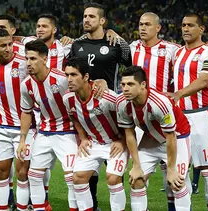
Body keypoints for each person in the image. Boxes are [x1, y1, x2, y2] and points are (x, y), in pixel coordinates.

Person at [70, 4, 132, 209]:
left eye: (91, 16)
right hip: (87, 112)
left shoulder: (115, 43)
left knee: (115, 171)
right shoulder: (76, 44)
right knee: (89, 170)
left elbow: (131, 67)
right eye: (84, 16)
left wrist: (117, 35)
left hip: (110, 108)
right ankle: (93, 204)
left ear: (102, 21)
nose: (86, 20)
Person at [117, 65, 191, 211]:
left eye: (131, 84)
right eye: (123, 84)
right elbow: (130, 134)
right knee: (136, 180)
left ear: (143, 85)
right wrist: (136, 166)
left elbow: (171, 136)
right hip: (152, 138)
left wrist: (170, 169)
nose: (125, 88)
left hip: (177, 137)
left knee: (177, 182)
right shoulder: (122, 103)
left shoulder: (159, 103)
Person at [167, 13, 208, 211]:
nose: (186, 29)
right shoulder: (178, 53)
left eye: (190, 25)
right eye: (183, 25)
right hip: (179, 118)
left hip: (201, 116)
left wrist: (178, 94)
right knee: (182, 171)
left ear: (202, 29)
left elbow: (205, 80)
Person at [17, 39, 78, 211]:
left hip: (67, 132)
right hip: (44, 133)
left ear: (45, 59)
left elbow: (80, 100)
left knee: (72, 178)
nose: (28, 63)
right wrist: (22, 140)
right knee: (34, 176)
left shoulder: (62, 79)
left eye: (33, 59)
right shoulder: (26, 85)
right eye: (27, 59)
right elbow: (26, 112)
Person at [0, 29, 37, 211]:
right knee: (1, 172)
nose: (8, 49)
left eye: (10, 44)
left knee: (22, 173)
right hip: (1, 126)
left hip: (25, 128)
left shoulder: (23, 63)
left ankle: (22, 208)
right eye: (3, 45)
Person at [63, 57, 128, 211]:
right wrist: (83, 138)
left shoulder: (107, 97)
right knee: (78, 178)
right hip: (94, 143)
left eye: (74, 75)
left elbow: (129, 117)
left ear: (86, 77)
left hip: (116, 143)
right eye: (67, 75)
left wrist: (123, 141)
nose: (69, 79)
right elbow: (74, 117)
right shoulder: (68, 99)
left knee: (112, 179)